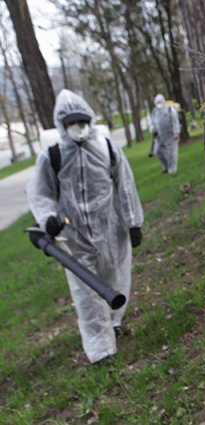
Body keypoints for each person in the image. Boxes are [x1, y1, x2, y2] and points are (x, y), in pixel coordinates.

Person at [27, 89, 144, 365]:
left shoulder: (107, 148)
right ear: (61, 125)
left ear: (89, 119)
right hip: (75, 237)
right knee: (87, 292)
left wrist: (133, 222)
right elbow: (41, 193)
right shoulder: (52, 156)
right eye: (70, 123)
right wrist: (49, 220)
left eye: (81, 121)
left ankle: (114, 320)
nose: (77, 128)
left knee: (116, 278)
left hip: (112, 231)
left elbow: (125, 186)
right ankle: (101, 349)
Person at [149, 94, 180, 174]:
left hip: (170, 135)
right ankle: (166, 166)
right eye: (157, 102)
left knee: (172, 153)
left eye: (160, 101)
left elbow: (175, 121)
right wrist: (153, 129)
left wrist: (176, 132)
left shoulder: (170, 110)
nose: (158, 104)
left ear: (164, 101)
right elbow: (152, 122)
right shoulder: (154, 111)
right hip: (159, 136)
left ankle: (172, 169)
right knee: (158, 152)